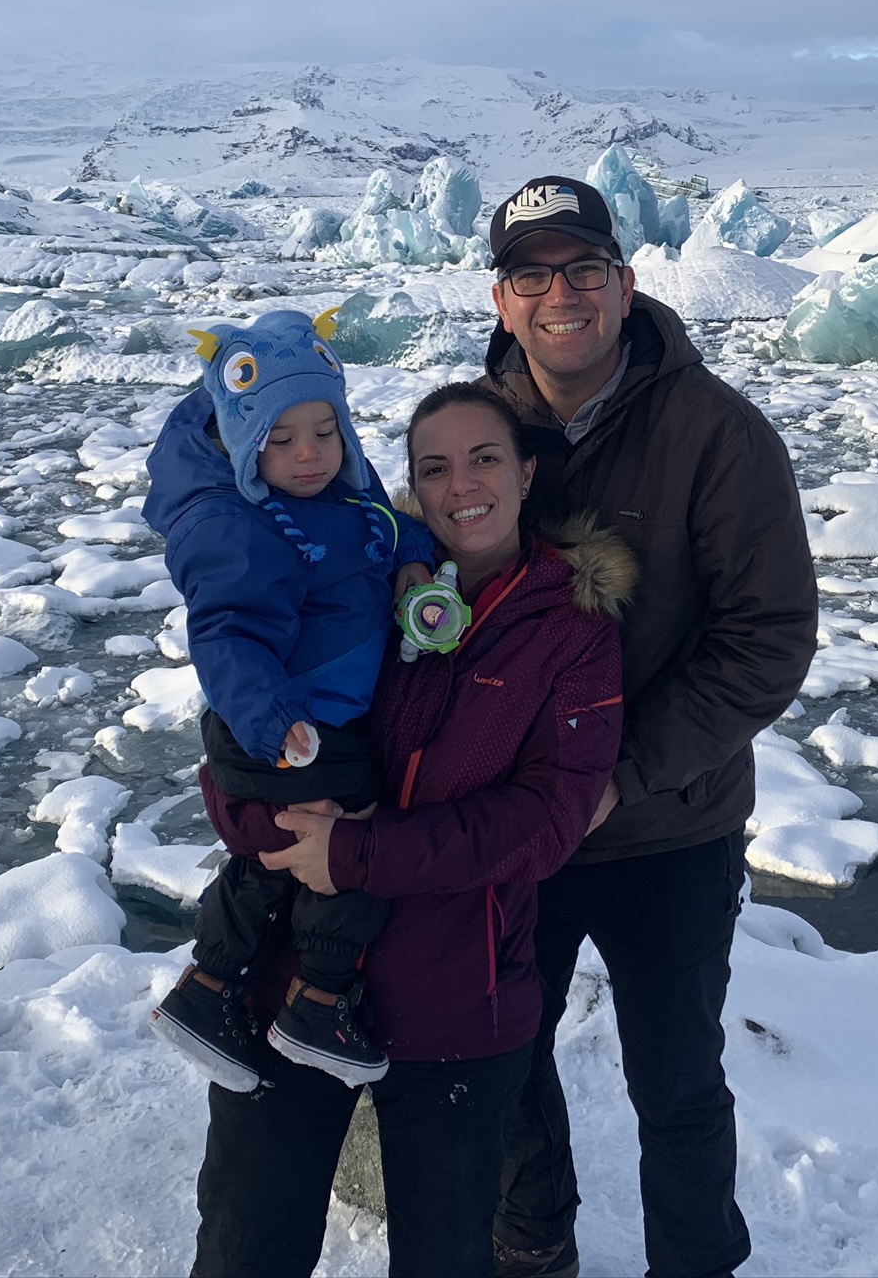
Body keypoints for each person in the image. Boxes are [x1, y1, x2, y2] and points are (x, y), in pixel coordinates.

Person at [190, 383, 638, 1278]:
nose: (461, 484)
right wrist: (264, 830)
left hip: (459, 1006)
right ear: (412, 487)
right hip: (288, 988)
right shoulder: (345, 579)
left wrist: (353, 853)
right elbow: (236, 750)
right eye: (434, 467)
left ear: (526, 474)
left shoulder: (571, 629)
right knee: (244, 1251)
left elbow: (544, 824)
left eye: (484, 459)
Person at [483, 177, 820, 1278]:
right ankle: (532, 1243)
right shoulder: (472, 437)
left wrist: (623, 774)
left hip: (667, 827)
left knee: (675, 1078)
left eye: (584, 270)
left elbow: (765, 637)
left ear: (628, 287)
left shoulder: (715, 433)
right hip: (513, 829)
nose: (561, 294)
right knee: (501, 1056)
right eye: (533, 273)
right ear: (502, 300)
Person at [142, 309, 433, 1091]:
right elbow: (227, 635)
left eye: (324, 431)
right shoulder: (250, 529)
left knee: (277, 860)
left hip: (314, 718)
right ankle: (318, 999)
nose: (309, 454)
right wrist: (276, 723)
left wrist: (416, 563)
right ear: (245, 444)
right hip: (284, 723)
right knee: (349, 844)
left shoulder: (342, 491)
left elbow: (385, 527)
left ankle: (211, 989)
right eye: (281, 439)